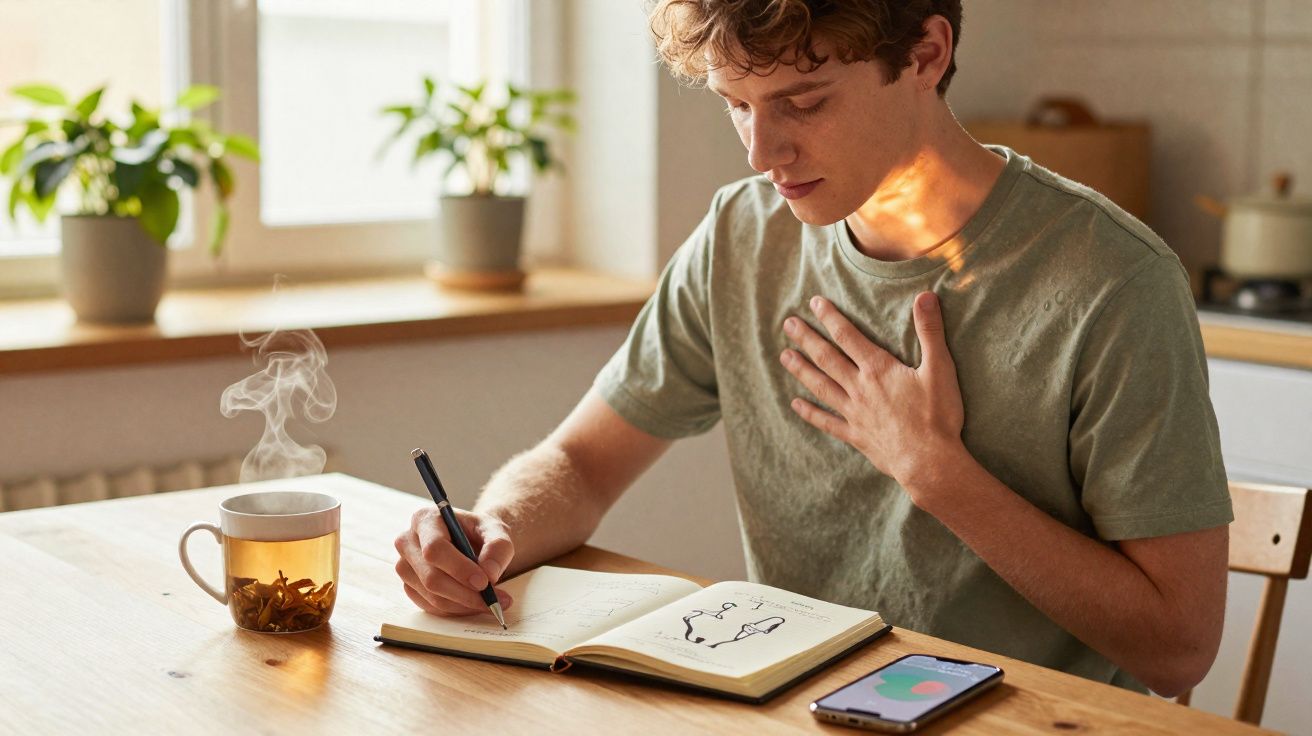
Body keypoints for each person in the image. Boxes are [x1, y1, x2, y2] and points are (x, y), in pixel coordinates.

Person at [394, 0, 1232, 696]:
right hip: (793, 709)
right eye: (736, 104)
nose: (764, 154)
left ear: (927, 54)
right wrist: (490, 532)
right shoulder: (741, 235)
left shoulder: (1113, 280)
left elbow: (1179, 647)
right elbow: (580, 465)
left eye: (804, 101)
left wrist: (936, 471)